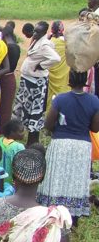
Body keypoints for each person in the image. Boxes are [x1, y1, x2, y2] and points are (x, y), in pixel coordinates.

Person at [39, 70, 99, 222]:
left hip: (61, 143)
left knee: (58, 177)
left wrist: (58, 130)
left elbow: (48, 124)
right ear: (86, 80)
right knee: (76, 179)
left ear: (69, 79)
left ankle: (54, 211)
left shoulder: (60, 99)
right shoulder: (94, 101)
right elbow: (95, 128)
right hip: (82, 146)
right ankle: (73, 216)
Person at [13, 21, 61, 145]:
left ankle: (32, 140)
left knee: (34, 111)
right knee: (23, 108)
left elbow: (56, 58)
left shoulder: (44, 44)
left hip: (36, 84)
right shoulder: (36, 40)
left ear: (44, 32)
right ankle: (23, 133)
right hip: (27, 81)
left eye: (38, 32)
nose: (35, 33)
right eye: (35, 30)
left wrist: (42, 65)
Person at [0, 23, 20, 130]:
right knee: (7, 106)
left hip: (5, 78)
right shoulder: (16, 46)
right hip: (10, 77)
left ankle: (2, 130)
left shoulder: (8, 48)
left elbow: (3, 66)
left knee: (3, 106)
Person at [46, 20, 70, 110]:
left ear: (52, 30)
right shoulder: (66, 42)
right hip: (63, 75)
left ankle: (49, 115)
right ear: (62, 30)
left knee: (50, 98)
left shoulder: (49, 42)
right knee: (64, 94)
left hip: (51, 76)